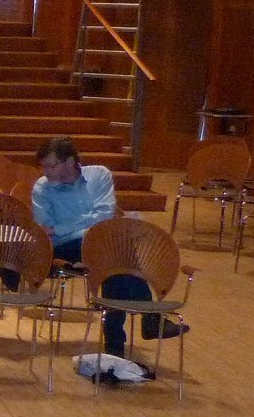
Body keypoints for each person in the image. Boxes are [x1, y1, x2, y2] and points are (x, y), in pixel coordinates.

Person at [32, 135, 173, 361]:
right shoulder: (42, 188)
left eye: (51, 165)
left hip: (100, 243)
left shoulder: (99, 175)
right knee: (115, 250)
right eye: (43, 166)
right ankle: (150, 318)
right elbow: (46, 229)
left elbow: (105, 214)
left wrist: (62, 227)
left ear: (70, 161)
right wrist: (84, 225)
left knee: (112, 262)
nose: (46, 171)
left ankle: (117, 344)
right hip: (64, 248)